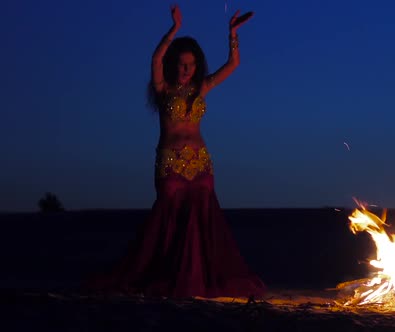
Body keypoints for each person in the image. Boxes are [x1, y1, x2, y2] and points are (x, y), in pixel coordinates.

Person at [84, 5, 265, 299]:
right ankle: (165, 275)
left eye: (191, 65)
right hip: (170, 163)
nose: (186, 70)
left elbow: (233, 64)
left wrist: (232, 34)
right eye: (181, 64)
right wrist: (173, 30)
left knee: (203, 219)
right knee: (168, 218)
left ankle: (198, 280)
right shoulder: (162, 88)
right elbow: (155, 59)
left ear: (197, 66)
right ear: (173, 64)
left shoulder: (201, 88)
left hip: (201, 163)